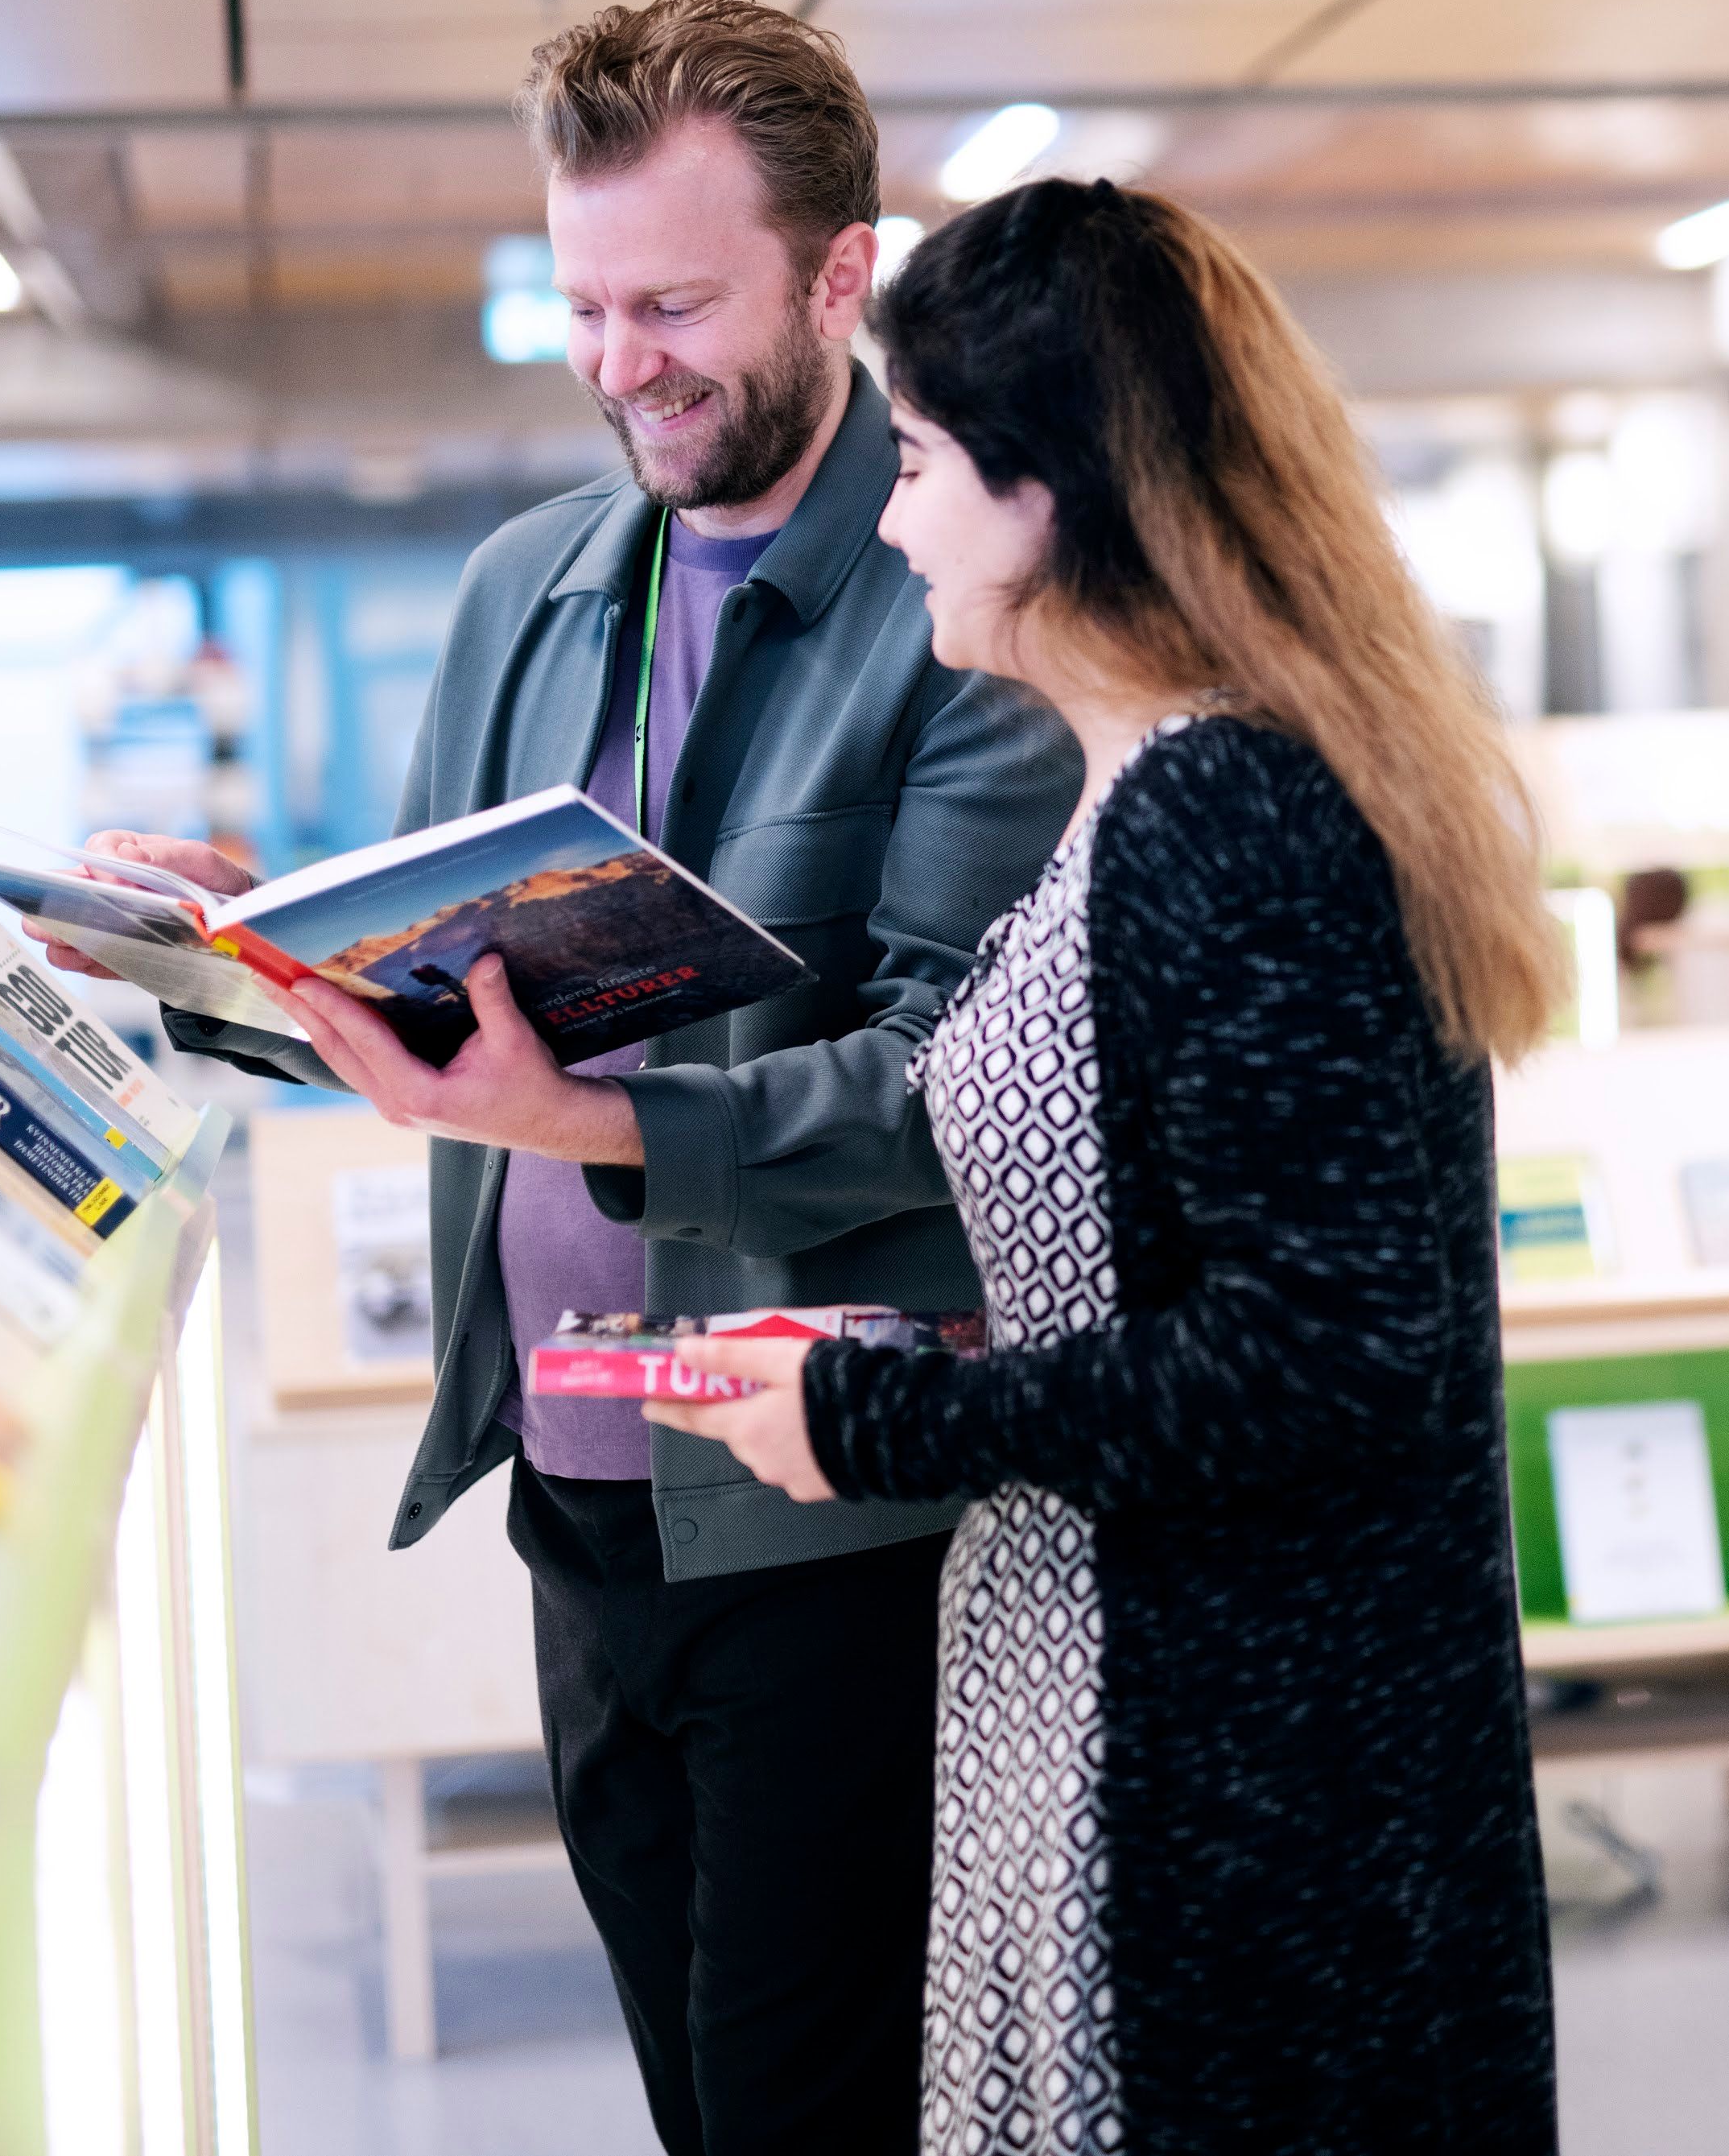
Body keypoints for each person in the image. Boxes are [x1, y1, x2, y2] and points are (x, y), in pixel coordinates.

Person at [78, 0, 1079, 2154]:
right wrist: (265, 935)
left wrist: (584, 1118)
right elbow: (453, 967)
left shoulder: (968, 606)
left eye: (677, 304)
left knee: (815, 2111)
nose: (621, 360)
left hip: (832, 1514)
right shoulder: (519, 586)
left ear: (839, 277)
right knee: (693, 2098)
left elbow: (951, 1088)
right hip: (575, 1502)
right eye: (585, 301)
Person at [650, 176, 1563, 2156]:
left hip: (1246, 1758)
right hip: (1152, 1707)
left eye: (913, 462)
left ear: (1044, 491)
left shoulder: (1225, 810)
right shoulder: (1162, 791)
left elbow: (1330, 1352)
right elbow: (1194, 1257)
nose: (886, 517)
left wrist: (882, 1414)